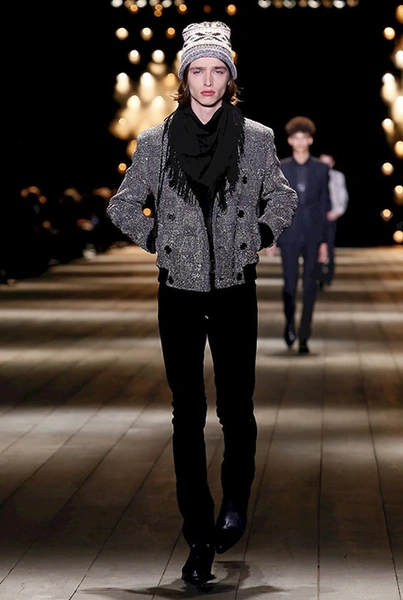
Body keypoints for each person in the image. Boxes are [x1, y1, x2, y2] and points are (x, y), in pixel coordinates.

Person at [106, 21, 298, 587]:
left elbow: (282, 196)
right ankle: (197, 535)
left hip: (236, 289)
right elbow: (123, 205)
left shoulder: (256, 138)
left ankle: (235, 501)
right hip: (179, 293)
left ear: (229, 77)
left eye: (218, 70)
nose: (208, 81)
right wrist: (159, 241)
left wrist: (260, 235)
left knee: (236, 408)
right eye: (198, 70)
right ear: (184, 77)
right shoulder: (157, 142)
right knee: (186, 413)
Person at [266, 116, 330, 355]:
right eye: (296, 137)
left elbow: (324, 205)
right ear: (290, 140)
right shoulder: (281, 167)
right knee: (290, 285)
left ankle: (304, 334)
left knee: (310, 285)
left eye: (305, 137)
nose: (301, 141)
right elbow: (275, 203)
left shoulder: (321, 169)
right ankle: (289, 324)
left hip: (313, 235)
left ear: (310, 140)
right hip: (289, 234)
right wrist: (271, 236)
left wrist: (325, 242)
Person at [317, 153, 349, 287]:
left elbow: (343, 195)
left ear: (332, 163)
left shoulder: (337, 176)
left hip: (330, 215)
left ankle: (329, 274)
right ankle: (317, 274)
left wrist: (338, 211)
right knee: (315, 245)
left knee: (329, 245)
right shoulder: (313, 175)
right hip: (315, 217)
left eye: (328, 162)